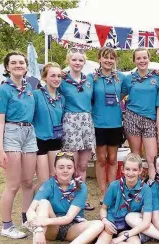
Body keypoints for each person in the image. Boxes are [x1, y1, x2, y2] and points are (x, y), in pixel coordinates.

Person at [0, 51, 37, 239]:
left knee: (28, 182)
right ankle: (6, 226)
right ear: (7, 67)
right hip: (11, 132)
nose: (18, 65)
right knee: (13, 185)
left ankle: (26, 220)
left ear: (26, 66)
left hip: (29, 132)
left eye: (21, 62)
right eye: (14, 63)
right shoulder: (3, 89)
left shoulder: (31, 88)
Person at [25, 152, 104, 244]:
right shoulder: (49, 184)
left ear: (74, 169)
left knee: (99, 224)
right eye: (61, 167)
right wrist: (38, 228)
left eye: (69, 167)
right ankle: (39, 236)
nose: (65, 170)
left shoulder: (81, 187)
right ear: (55, 169)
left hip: (72, 226)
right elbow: (30, 210)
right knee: (43, 203)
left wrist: (45, 221)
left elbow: (68, 218)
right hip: (51, 227)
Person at [59, 47, 95, 211]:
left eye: (80, 60)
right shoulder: (62, 80)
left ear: (84, 62)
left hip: (86, 122)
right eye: (74, 59)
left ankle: (80, 198)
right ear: (68, 61)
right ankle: (67, 199)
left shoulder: (89, 80)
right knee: (69, 164)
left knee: (82, 166)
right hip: (70, 122)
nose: (77, 63)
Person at [122, 48, 159, 183]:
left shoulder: (156, 77)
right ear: (134, 60)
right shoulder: (129, 78)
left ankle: (152, 184)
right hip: (132, 117)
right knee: (136, 155)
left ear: (148, 59)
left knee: (152, 157)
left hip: (150, 119)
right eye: (138, 58)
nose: (142, 61)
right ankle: (136, 184)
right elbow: (120, 97)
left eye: (144, 58)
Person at [91, 47, 126, 204]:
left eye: (112, 58)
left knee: (112, 159)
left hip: (115, 123)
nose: (109, 60)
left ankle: (112, 190)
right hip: (98, 123)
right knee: (101, 159)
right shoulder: (92, 78)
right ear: (99, 58)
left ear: (115, 60)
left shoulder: (121, 78)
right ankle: (103, 192)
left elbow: (129, 89)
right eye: (106, 57)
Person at [97, 153, 153, 244]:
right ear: (122, 170)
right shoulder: (114, 185)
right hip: (111, 223)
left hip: (129, 227)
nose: (130, 173)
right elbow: (103, 208)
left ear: (140, 170)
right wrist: (105, 220)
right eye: (127, 169)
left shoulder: (146, 190)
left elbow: (146, 221)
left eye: (134, 170)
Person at [33, 62, 65, 191]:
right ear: (45, 77)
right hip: (39, 139)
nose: (56, 79)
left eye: (59, 76)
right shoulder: (35, 95)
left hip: (55, 140)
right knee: (43, 180)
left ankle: (49, 204)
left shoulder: (61, 98)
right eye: (52, 76)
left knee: (53, 176)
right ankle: (33, 203)